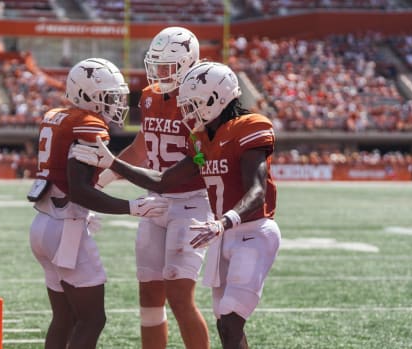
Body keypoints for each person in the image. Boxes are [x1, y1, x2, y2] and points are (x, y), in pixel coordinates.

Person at [74, 61, 281, 349]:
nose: (186, 112)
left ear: (216, 99)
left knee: (230, 318)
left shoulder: (249, 127)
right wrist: (111, 163)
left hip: (250, 231)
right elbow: (163, 180)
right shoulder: (202, 142)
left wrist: (224, 221)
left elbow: (257, 190)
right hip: (223, 233)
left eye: (193, 104)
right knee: (225, 322)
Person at [27, 58, 168, 349]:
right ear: (88, 93)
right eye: (109, 96)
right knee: (92, 320)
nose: (116, 102)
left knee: (64, 318)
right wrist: (130, 207)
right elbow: (79, 191)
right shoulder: (87, 123)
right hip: (66, 228)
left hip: (43, 224)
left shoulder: (57, 115)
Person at [94, 26, 211, 349]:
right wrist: (102, 178)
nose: (160, 72)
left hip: (190, 203)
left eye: (168, 66)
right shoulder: (149, 96)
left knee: (179, 294)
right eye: (156, 64)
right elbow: (143, 146)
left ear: (188, 64)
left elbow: (201, 159)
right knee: (148, 295)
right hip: (154, 199)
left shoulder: (200, 101)